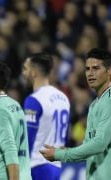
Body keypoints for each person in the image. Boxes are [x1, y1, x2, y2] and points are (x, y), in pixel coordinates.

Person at [40, 48, 111, 180]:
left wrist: (60, 155)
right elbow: (90, 146)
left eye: (96, 68)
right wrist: (63, 151)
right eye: (88, 69)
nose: (90, 73)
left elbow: (99, 144)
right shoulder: (95, 104)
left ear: (109, 71)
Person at [22, 52, 70, 180]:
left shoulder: (34, 100)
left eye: (25, 69)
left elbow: (28, 138)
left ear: (33, 72)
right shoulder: (63, 98)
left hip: (37, 166)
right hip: (56, 166)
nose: (23, 73)